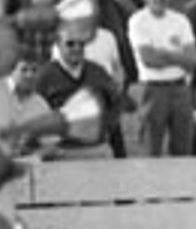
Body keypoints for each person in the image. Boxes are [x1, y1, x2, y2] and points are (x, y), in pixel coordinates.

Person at [127, 0, 196, 156]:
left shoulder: (181, 21)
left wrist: (165, 53)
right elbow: (148, 59)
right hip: (153, 89)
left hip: (180, 88)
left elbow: (193, 60)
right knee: (152, 149)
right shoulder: (138, 21)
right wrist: (177, 56)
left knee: (183, 149)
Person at [36, 23, 127, 158]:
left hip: (98, 150)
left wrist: (106, 128)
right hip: (62, 153)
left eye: (81, 44)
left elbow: (116, 103)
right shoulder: (44, 76)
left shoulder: (98, 72)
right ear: (58, 44)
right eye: (70, 44)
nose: (77, 48)